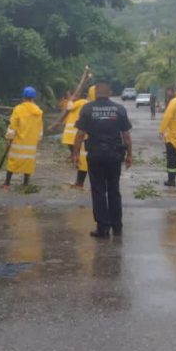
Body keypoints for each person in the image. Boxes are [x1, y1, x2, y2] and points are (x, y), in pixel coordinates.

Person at [72, 81, 133, 238]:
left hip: (96, 155)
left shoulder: (87, 109)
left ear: (95, 92)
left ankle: (102, 228)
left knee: (98, 191)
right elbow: (126, 135)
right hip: (114, 155)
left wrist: (75, 153)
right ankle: (117, 227)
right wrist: (130, 155)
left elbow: (79, 134)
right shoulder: (119, 109)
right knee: (114, 190)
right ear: (110, 92)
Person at [3, 87, 44, 190]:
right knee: (28, 163)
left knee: (13, 161)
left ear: (23, 97)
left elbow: (13, 126)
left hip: (18, 142)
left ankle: (7, 183)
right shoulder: (38, 111)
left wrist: (9, 137)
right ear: (34, 98)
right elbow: (40, 128)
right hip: (31, 143)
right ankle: (25, 183)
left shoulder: (18, 109)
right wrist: (37, 139)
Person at [61, 86, 95, 189]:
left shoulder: (83, 104)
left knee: (83, 161)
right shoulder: (92, 105)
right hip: (99, 142)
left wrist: (70, 100)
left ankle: (80, 183)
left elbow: (69, 107)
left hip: (85, 137)